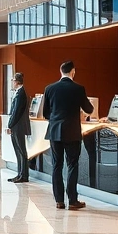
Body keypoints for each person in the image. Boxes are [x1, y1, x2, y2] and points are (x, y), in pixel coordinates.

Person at [42, 61, 94, 210]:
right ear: (73, 72)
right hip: (72, 132)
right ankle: (72, 200)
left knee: (56, 166)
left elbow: (46, 113)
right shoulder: (78, 88)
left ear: (60, 71)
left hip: (54, 132)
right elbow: (89, 109)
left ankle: (59, 200)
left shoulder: (49, 88)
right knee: (72, 165)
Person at [6, 72, 32, 184]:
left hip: (19, 126)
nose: (12, 83)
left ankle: (23, 175)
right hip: (17, 126)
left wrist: (10, 125)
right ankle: (20, 173)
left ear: (16, 81)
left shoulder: (21, 93)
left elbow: (16, 112)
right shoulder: (19, 92)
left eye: (13, 80)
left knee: (21, 150)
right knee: (18, 150)